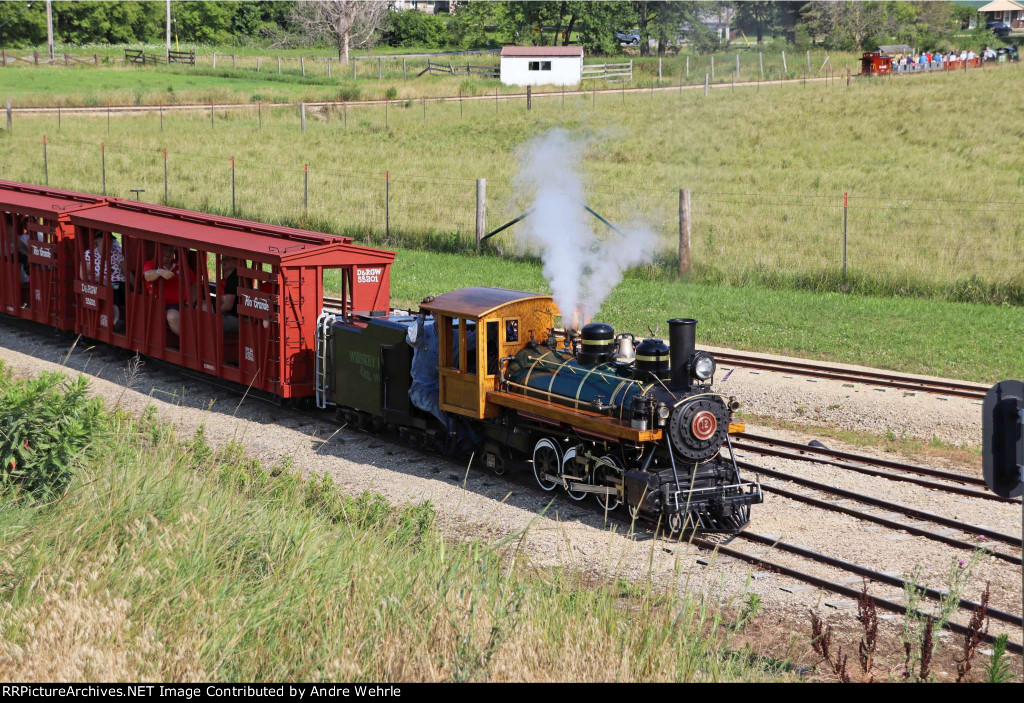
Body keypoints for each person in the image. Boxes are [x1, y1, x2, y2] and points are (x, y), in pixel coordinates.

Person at [143, 245, 191, 337]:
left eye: (171, 250)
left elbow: (194, 282)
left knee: (204, 307)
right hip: (163, 306)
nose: (168, 253)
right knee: (172, 316)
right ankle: (189, 342)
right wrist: (159, 272)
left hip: (185, 304)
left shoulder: (179, 265)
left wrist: (192, 298)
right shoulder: (151, 264)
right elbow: (147, 276)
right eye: (165, 249)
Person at [83, 235, 126, 333]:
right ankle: (115, 321)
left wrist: (137, 287)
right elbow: (85, 276)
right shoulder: (90, 255)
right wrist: (101, 280)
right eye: (106, 239)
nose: (109, 242)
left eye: (111, 240)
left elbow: (126, 272)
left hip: (119, 283)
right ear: (97, 240)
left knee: (124, 289)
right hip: (105, 285)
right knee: (111, 291)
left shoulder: (116, 254)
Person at [218, 256, 239, 334]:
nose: (223, 261)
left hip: (237, 319)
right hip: (240, 317)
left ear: (236, 261)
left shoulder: (233, 278)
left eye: (226, 258)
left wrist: (214, 313)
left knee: (209, 321)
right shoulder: (238, 276)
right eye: (222, 259)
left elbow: (228, 306)